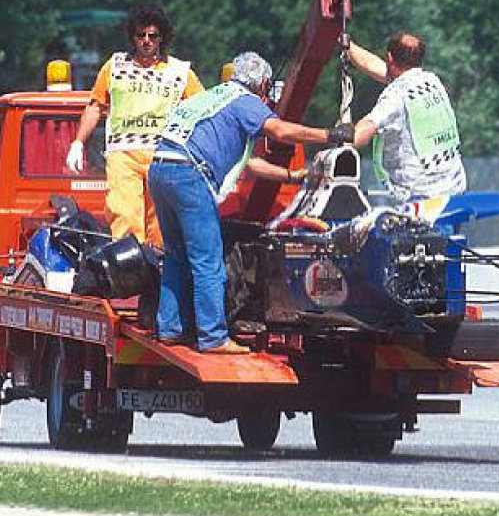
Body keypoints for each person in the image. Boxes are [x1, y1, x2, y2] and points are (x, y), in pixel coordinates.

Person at [149, 51, 353, 354]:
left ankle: (169, 328)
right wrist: (330, 135)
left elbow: (247, 162)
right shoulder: (246, 102)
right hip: (189, 175)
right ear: (264, 84)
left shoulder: (211, 96)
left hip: (161, 168)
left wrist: (291, 176)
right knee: (208, 260)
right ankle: (213, 337)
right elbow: (280, 131)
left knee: (177, 255)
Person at [65, 2, 204, 248]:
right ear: (133, 37)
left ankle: (161, 278)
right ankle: (129, 275)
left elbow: (203, 110)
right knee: (125, 218)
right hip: (123, 155)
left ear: (162, 38)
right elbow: (95, 106)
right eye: (141, 35)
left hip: (165, 157)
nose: (147, 41)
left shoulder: (181, 72)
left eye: (153, 35)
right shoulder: (114, 66)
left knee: (162, 228)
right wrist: (77, 143)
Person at [343, 32, 467, 202]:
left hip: (419, 203)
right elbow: (376, 66)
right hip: (454, 194)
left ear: (389, 57)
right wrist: (347, 46)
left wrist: (324, 147)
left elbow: (357, 136)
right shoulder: (431, 82)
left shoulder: (395, 97)